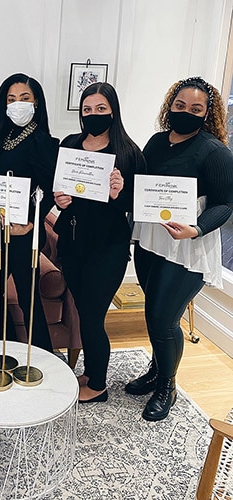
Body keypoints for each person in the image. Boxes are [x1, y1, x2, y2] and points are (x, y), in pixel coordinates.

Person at [127, 76, 233, 421]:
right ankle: (156, 371)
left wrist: (196, 229)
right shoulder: (157, 142)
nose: (185, 112)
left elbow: (225, 204)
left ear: (207, 114)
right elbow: (141, 184)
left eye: (195, 109)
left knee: (163, 319)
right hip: (151, 240)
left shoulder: (215, 152)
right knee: (153, 312)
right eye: (180, 105)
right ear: (170, 106)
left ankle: (167, 387)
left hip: (186, 247)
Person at [53, 82, 146, 403]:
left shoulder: (129, 153)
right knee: (84, 312)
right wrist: (60, 200)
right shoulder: (70, 145)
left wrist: (119, 195)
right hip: (72, 244)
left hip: (108, 250)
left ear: (113, 112)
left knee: (93, 317)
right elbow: (60, 190)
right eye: (87, 109)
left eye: (100, 109)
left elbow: (140, 204)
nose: (93, 115)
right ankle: (91, 372)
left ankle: (98, 385)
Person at [0, 73, 58, 353]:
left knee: (29, 300)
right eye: (11, 99)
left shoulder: (45, 143)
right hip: (1, 232)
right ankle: (12, 345)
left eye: (24, 98)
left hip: (26, 235)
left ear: (36, 102)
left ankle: (44, 356)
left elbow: (51, 190)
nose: (17, 104)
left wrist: (31, 223)